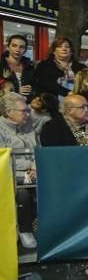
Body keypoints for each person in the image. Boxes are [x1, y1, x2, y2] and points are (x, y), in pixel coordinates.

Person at [0, 92, 39, 247]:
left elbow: (38, 150)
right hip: (8, 175)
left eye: (28, 110)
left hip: (32, 172)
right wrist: (27, 167)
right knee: (23, 193)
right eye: (24, 111)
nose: (28, 114)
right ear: (9, 113)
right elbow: (4, 160)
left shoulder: (28, 126)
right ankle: (25, 230)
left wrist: (35, 167)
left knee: (49, 186)